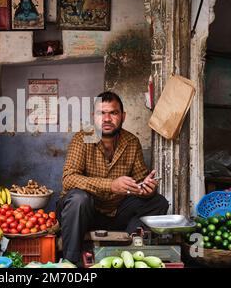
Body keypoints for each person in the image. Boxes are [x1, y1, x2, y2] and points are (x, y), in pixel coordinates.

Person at [57, 91, 169, 265]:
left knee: (158, 202)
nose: (107, 118)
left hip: (116, 213)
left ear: (123, 116)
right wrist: (110, 185)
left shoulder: (131, 142)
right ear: (93, 116)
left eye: (113, 113)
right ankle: (70, 262)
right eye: (102, 113)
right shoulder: (82, 138)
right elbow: (68, 179)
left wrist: (146, 189)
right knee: (78, 198)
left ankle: (128, 253)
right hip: (86, 213)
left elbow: (139, 182)